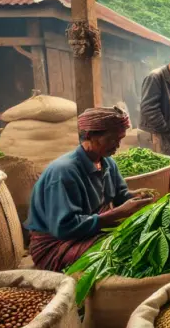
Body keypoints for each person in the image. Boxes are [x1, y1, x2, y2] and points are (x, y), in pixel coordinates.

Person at [26, 107, 155, 271]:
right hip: (57, 244)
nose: (117, 145)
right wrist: (118, 213)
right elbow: (64, 227)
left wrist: (135, 196)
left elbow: (120, 196)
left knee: (144, 237)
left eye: (120, 139)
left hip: (89, 231)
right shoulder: (64, 172)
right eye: (112, 139)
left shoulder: (107, 162)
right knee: (121, 250)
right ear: (89, 136)